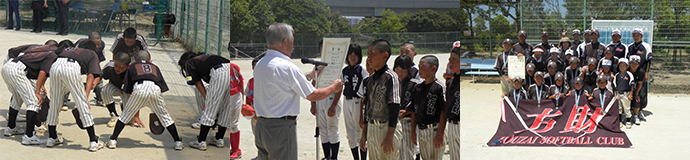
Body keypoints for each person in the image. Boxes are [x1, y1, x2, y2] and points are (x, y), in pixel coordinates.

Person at [253, 23, 342, 160]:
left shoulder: (260, 63)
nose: (292, 46)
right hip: (281, 129)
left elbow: (284, 82)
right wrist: (333, 88)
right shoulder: (286, 67)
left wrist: (310, 75)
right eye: (292, 42)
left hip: (261, 126)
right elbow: (312, 94)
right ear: (285, 42)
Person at [107, 51, 184, 150]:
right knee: (166, 118)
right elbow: (161, 87)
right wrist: (163, 107)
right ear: (150, 61)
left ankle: (113, 140)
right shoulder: (155, 67)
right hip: (155, 89)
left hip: (139, 88)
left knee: (124, 116)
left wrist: (132, 109)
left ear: (134, 61)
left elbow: (128, 90)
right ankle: (178, 142)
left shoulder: (132, 66)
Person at [42, 40, 103, 151]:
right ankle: (94, 141)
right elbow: (90, 76)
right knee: (82, 104)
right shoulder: (92, 53)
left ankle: (52, 137)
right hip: (71, 67)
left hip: (55, 66)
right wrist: (85, 97)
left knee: (55, 102)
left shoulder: (69, 49)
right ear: (93, 50)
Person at [179, 52, 244, 156]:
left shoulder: (189, 63)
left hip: (219, 72)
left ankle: (201, 141)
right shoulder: (204, 58)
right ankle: (219, 139)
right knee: (225, 108)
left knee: (210, 109)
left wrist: (207, 99)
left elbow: (196, 82)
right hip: (230, 71)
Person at [2, 45, 57, 145]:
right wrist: (37, 91)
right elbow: (42, 72)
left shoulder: (38, 50)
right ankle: (29, 136)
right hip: (18, 70)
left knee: (17, 97)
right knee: (33, 102)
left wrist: (40, 86)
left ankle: (10, 128)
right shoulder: (52, 54)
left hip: (8, 66)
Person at [358, 39, 401, 160]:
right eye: (368, 53)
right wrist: (364, 134)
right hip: (372, 128)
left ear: (385, 56)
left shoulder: (391, 77)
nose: (369, 57)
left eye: (373, 53)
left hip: (386, 128)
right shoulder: (370, 80)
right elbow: (367, 107)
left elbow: (395, 106)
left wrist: (390, 135)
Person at [310, 40, 343, 160]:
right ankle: (327, 156)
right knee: (323, 130)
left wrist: (334, 105)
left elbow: (340, 86)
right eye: (322, 48)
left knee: (332, 129)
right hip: (320, 99)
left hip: (331, 99)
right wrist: (313, 103)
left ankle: (334, 157)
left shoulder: (336, 64)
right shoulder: (317, 65)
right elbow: (313, 84)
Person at [409, 55, 446, 160]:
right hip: (421, 130)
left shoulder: (439, 87)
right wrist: (413, 132)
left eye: (422, 67)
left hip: (434, 130)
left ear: (433, 68)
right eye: (419, 66)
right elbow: (413, 111)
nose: (419, 69)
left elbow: (443, 111)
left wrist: (440, 134)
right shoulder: (417, 87)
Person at [342, 44, 369, 160]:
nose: (352, 57)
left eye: (355, 55)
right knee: (350, 132)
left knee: (359, 131)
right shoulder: (344, 70)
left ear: (359, 56)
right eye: (350, 55)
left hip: (358, 101)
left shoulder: (361, 69)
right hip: (346, 101)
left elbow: (366, 85)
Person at [393, 55, 419, 160]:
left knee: (408, 153)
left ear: (409, 70)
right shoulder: (392, 83)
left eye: (403, 70)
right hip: (394, 123)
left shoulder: (415, 85)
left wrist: (407, 112)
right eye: (397, 70)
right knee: (395, 153)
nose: (400, 73)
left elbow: (417, 107)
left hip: (409, 123)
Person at [626, 29, 652, 122]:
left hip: (641, 72)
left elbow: (648, 60)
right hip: (630, 72)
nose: (635, 37)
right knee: (630, 90)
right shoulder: (630, 47)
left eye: (637, 35)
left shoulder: (646, 46)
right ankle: (631, 109)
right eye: (634, 35)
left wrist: (646, 72)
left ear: (641, 36)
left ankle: (640, 110)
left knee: (641, 92)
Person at [100, 52, 130, 127]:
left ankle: (124, 106)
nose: (117, 68)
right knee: (105, 90)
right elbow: (99, 76)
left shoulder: (132, 71)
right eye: (116, 65)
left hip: (127, 91)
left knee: (129, 120)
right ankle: (114, 115)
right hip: (115, 86)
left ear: (127, 66)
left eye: (121, 67)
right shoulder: (110, 66)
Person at [445, 45, 461, 160]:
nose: (450, 63)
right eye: (450, 60)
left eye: (454, 59)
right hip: (451, 124)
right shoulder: (450, 83)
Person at [613, 58, 634, 129]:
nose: (621, 67)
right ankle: (620, 121)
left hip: (626, 94)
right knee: (619, 108)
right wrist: (616, 95)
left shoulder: (629, 75)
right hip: (619, 93)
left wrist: (630, 94)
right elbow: (615, 86)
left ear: (627, 66)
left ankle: (628, 121)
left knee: (627, 108)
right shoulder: (617, 75)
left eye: (623, 66)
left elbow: (632, 85)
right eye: (620, 66)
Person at [628, 55, 645, 125]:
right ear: (629, 63)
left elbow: (640, 84)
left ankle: (635, 115)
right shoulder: (625, 69)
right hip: (625, 89)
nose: (634, 65)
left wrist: (636, 94)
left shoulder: (641, 72)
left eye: (636, 63)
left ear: (639, 64)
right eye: (632, 63)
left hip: (635, 89)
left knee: (637, 99)